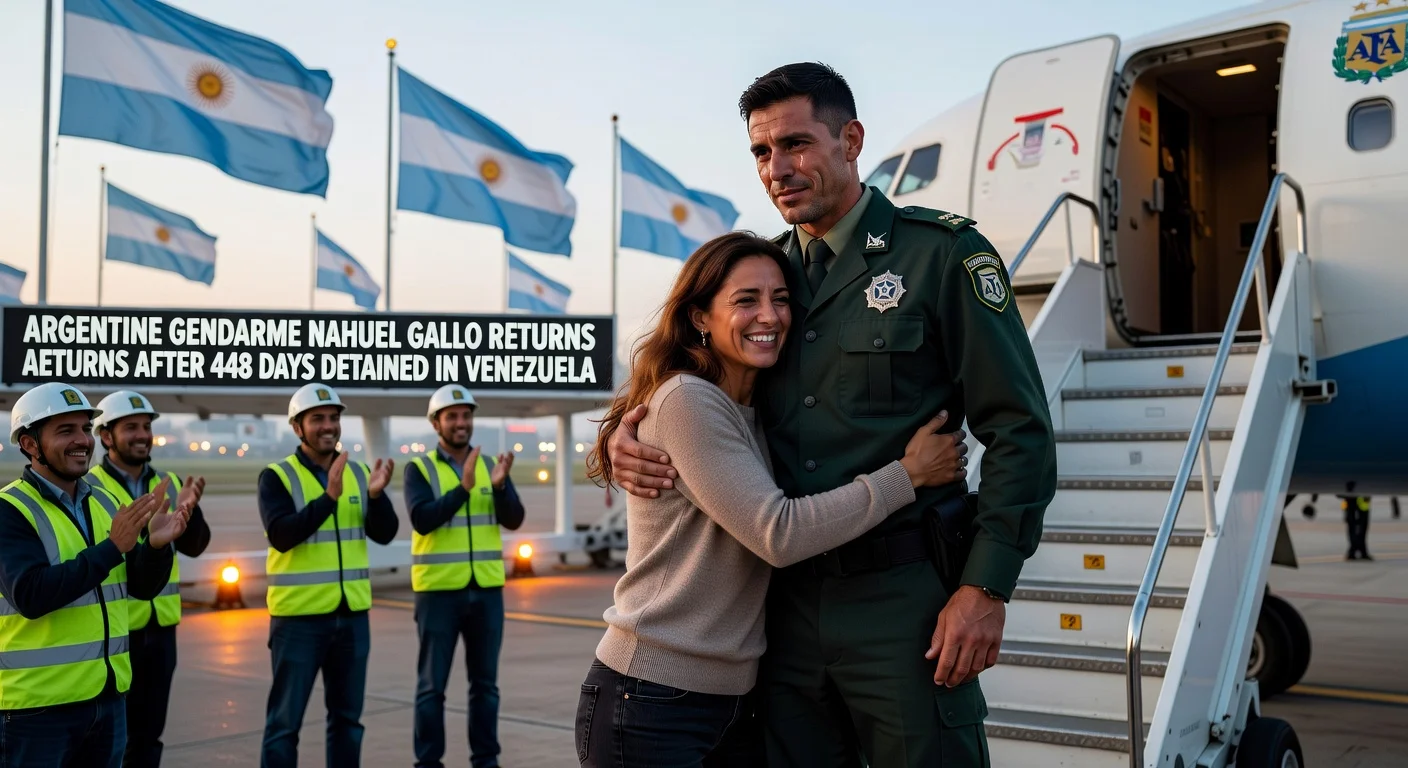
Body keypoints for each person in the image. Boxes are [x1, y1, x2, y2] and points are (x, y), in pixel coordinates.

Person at [608, 62, 1057, 767]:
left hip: (905, 610)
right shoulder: (766, 280)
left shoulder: (940, 255)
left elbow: (1020, 430)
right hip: (782, 617)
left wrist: (985, 587)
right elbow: (698, 390)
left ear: (850, 140)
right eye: (761, 152)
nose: (776, 169)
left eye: (795, 144)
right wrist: (624, 434)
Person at [578, 231, 970, 766]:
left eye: (780, 299)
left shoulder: (755, 407)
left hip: (729, 702)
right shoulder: (688, 400)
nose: (769, 316)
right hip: (651, 697)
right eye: (746, 300)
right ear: (699, 317)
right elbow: (778, 534)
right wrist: (907, 475)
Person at [0, 382, 187, 766]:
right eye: (65, 431)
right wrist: (110, 548)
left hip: (106, 699)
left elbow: (141, 588)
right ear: (30, 444)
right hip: (38, 709)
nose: (82, 440)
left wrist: (155, 546)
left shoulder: (104, 501)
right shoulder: (10, 509)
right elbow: (31, 595)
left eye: (85, 429)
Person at [257, 383, 399, 768]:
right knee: (285, 725)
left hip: (351, 619)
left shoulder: (357, 472)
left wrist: (375, 496)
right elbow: (283, 536)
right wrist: (328, 498)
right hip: (298, 621)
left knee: (348, 723)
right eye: (317, 418)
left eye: (333, 418)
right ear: (298, 427)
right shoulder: (276, 477)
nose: (328, 426)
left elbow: (385, 533)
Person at [86, 389, 212, 768]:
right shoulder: (90, 488)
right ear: (106, 436)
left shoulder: (170, 483)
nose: (142, 434)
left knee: (150, 735)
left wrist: (191, 510)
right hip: (117, 631)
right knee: (112, 740)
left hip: (161, 628)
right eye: (131, 428)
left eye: (146, 426)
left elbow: (196, 546)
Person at [404, 384, 525, 768]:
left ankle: (486, 760)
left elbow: (514, 519)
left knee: (485, 688)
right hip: (439, 593)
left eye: (466, 415)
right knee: (431, 688)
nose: (461, 422)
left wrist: (501, 486)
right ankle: (428, 762)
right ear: (436, 423)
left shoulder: (491, 467)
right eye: (453, 416)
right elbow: (422, 519)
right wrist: (463, 489)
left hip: (486, 591)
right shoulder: (418, 469)